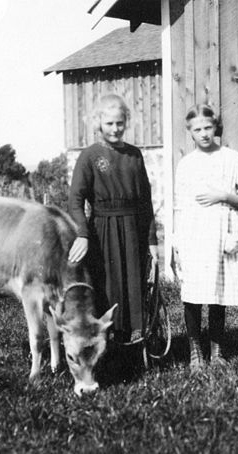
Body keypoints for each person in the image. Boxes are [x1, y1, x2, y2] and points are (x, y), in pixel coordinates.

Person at [68, 93, 158, 344]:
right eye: (109, 123)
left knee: (134, 285)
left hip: (132, 231)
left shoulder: (134, 155)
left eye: (120, 123)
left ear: (126, 122)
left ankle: (134, 339)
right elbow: (75, 200)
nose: (115, 128)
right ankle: (108, 342)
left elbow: (145, 201)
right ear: (98, 124)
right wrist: (83, 234)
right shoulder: (89, 156)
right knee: (108, 286)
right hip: (103, 230)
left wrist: (152, 240)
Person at [173, 104, 238, 372]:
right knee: (194, 293)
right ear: (190, 133)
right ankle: (196, 351)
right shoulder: (186, 164)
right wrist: (176, 243)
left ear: (216, 126)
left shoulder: (233, 158)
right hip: (194, 232)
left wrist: (224, 196)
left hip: (224, 230)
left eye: (208, 127)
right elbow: (179, 206)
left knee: (218, 293)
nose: (204, 134)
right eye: (197, 130)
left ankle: (217, 349)